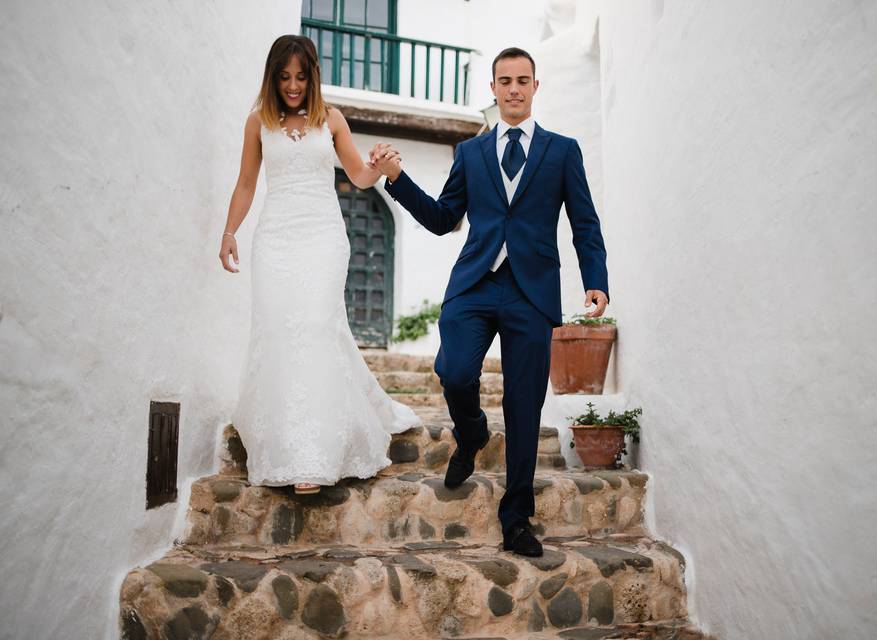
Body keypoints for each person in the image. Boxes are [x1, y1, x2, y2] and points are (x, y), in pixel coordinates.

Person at [369, 47, 610, 557]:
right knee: (455, 371)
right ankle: (472, 432)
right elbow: (440, 218)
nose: (515, 89)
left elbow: (584, 224)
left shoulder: (563, 151)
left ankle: (517, 518)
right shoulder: (470, 154)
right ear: (494, 89)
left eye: (523, 80)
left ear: (536, 87)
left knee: (525, 409)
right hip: (475, 284)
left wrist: (596, 280)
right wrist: (396, 178)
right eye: (505, 81)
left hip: (532, 292)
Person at [218, 35, 419, 495]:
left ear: (313, 76)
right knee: (277, 331)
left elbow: (359, 177)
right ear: (273, 78)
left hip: (323, 238)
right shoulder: (258, 123)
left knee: (314, 328)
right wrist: (229, 232)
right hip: (275, 240)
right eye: (284, 77)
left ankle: (314, 456)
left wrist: (381, 164)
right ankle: (282, 447)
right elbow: (246, 184)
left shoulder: (331, 119)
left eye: (301, 76)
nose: (293, 86)